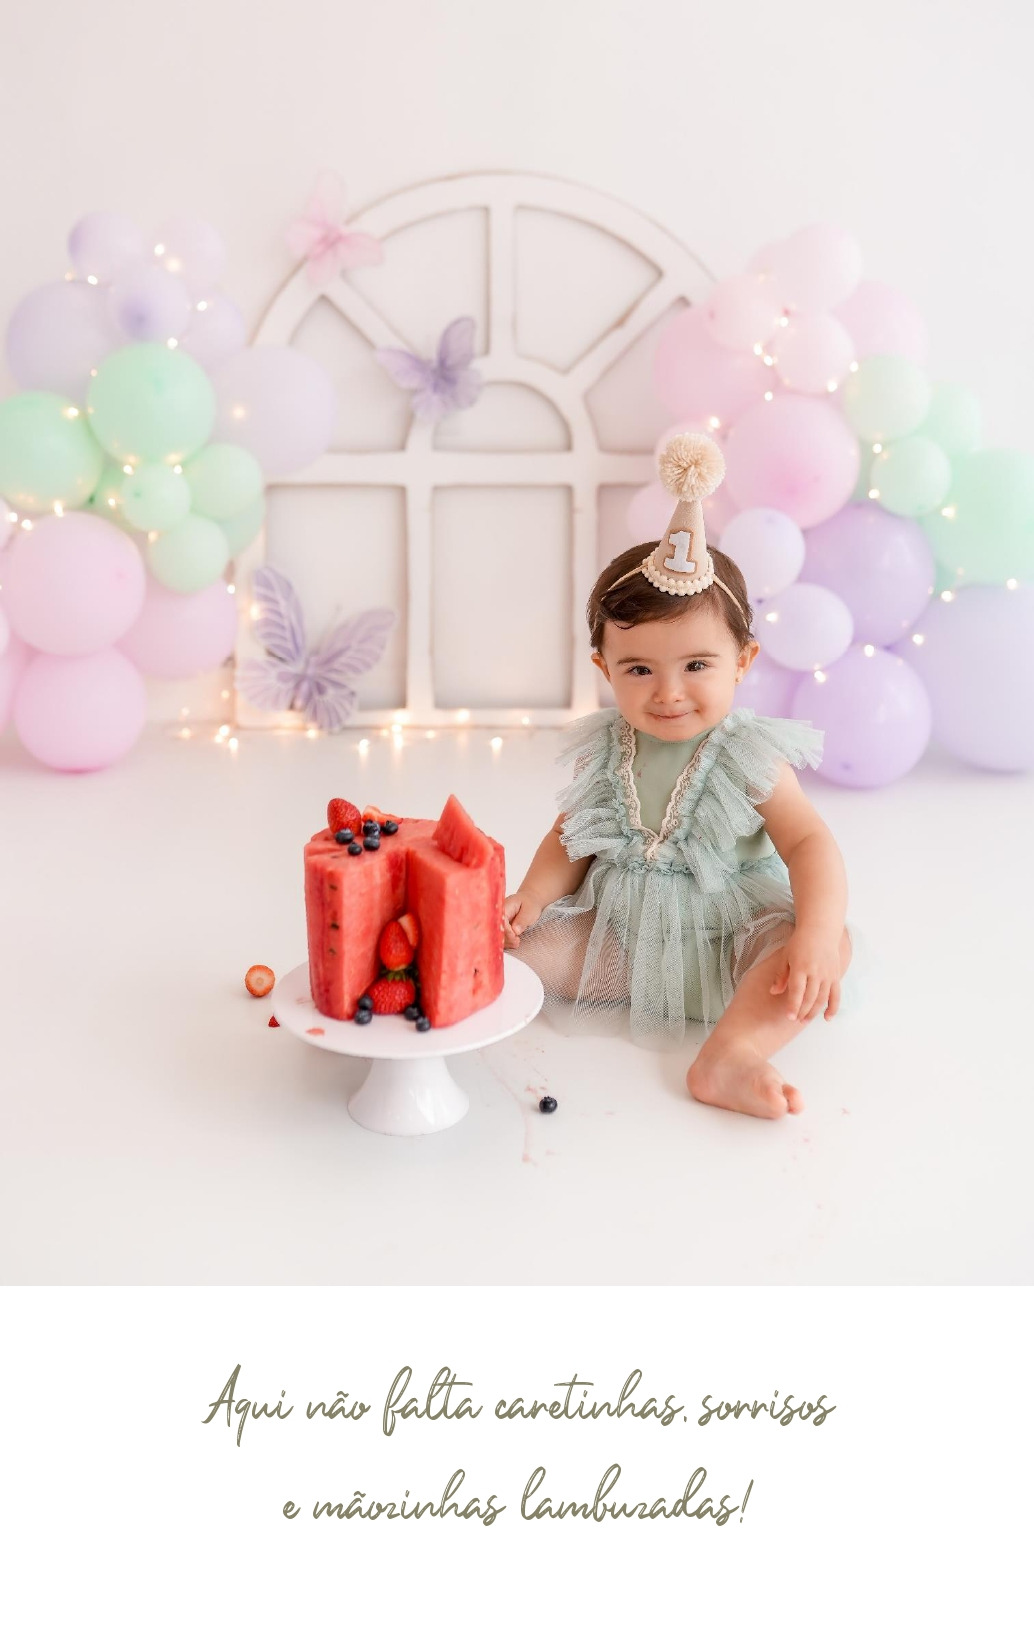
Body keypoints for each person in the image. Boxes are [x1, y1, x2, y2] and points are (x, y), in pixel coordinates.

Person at [504, 432, 851, 1120]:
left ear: (743, 661)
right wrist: (533, 898)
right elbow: (571, 838)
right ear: (605, 669)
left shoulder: (748, 754)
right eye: (639, 669)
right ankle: (455, 985)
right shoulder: (607, 749)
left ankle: (733, 1053)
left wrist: (813, 932)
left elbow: (809, 844)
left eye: (696, 665)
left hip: (733, 944)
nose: (668, 692)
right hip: (624, 949)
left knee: (826, 947)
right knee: (517, 952)